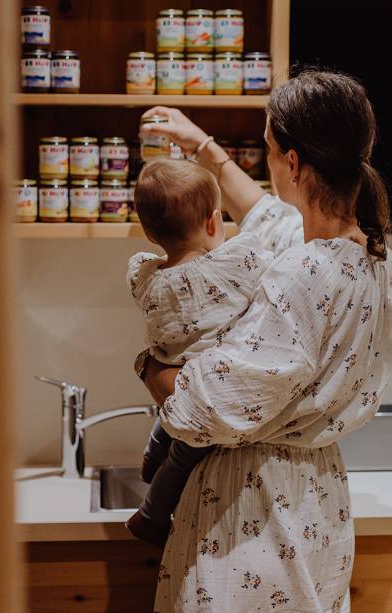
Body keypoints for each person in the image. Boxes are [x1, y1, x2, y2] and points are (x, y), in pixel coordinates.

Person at [136, 69, 392, 612]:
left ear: (294, 164)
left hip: (255, 514)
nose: (269, 160)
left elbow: (204, 409)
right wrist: (203, 147)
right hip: (316, 502)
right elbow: (264, 214)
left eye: (270, 149)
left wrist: (149, 369)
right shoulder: (367, 249)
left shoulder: (302, 271)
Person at [124, 158, 272, 547]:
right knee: (187, 451)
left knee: (170, 415)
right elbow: (260, 255)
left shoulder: (149, 279)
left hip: (171, 371)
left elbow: (139, 267)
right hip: (202, 382)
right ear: (212, 222)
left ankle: (151, 453)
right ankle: (151, 516)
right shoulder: (229, 267)